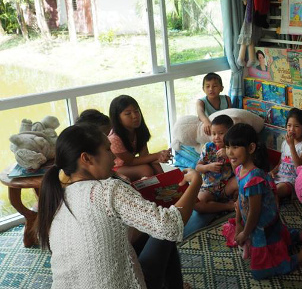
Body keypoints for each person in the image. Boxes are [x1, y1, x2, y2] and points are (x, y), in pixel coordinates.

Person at [36, 124, 202, 289]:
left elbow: (115, 234)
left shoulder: (57, 199)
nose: (114, 158)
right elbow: (171, 225)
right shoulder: (108, 189)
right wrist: (196, 182)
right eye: (108, 150)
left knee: (151, 231)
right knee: (165, 235)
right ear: (86, 158)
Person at [224, 123, 302, 279]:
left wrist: (245, 233)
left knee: (260, 272)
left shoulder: (254, 179)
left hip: (263, 227)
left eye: (235, 147)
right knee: (276, 243)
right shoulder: (239, 170)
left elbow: (255, 213)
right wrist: (238, 223)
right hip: (254, 224)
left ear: (250, 148)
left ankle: (301, 255)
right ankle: (293, 237)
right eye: (227, 147)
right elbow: (241, 201)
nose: (229, 152)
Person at [108, 95, 172, 182]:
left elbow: (144, 156)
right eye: (128, 113)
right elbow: (130, 161)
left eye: (136, 111)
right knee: (145, 170)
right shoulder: (114, 138)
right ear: (117, 118)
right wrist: (157, 155)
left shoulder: (138, 130)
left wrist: (160, 157)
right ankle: (148, 192)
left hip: (129, 164)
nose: (135, 116)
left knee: (156, 165)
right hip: (116, 169)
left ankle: (165, 187)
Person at [194, 114, 238, 213]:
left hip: (227, 188)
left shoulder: (234, 148)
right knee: (197, 204)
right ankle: (228, 206)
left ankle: (234, 199)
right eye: (214, 134)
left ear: (230, 133)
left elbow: (239, 171)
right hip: (209, 188)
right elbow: (198, 167)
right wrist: (208, 167)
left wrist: (229, 156)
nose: (216, 137)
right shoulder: (208, 147)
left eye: (221, 133)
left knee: (244, 179)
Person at [269, 108, 302, 199]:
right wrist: (272, 172)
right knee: (262, 184)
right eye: (289, 125)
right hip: (280, 177)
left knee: (275, 191)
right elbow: (280, 164)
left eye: (296, 126)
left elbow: (299, 166)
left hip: (293, 181)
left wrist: (291, 146)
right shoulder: (284, 143)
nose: (291, 129)